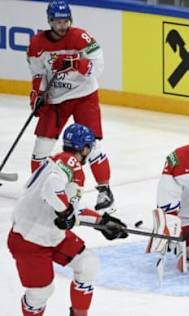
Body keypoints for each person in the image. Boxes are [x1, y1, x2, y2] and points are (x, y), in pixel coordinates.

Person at [7, 123, 128, 316]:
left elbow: (70, 208)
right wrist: (66, 213)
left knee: (87, 264)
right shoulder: (69, 163)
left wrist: (102, 222)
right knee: (40, 293)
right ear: (85, 148)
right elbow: (52, 190)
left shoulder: (61, 161)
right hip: (29, 239)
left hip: (52, 234)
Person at [27, 0, 115, 213]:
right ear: (49, 21)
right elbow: (39, 74)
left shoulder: (81, 37)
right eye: (57, 22)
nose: (62, 25)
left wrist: (74, 63)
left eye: (65, 20)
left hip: (84, 96)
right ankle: (39, 189)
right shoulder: (37, 44)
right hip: (56, 100)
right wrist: (38, 94)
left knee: (92, 144)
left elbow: (98, 66)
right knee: (41, 147)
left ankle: (105, 190)